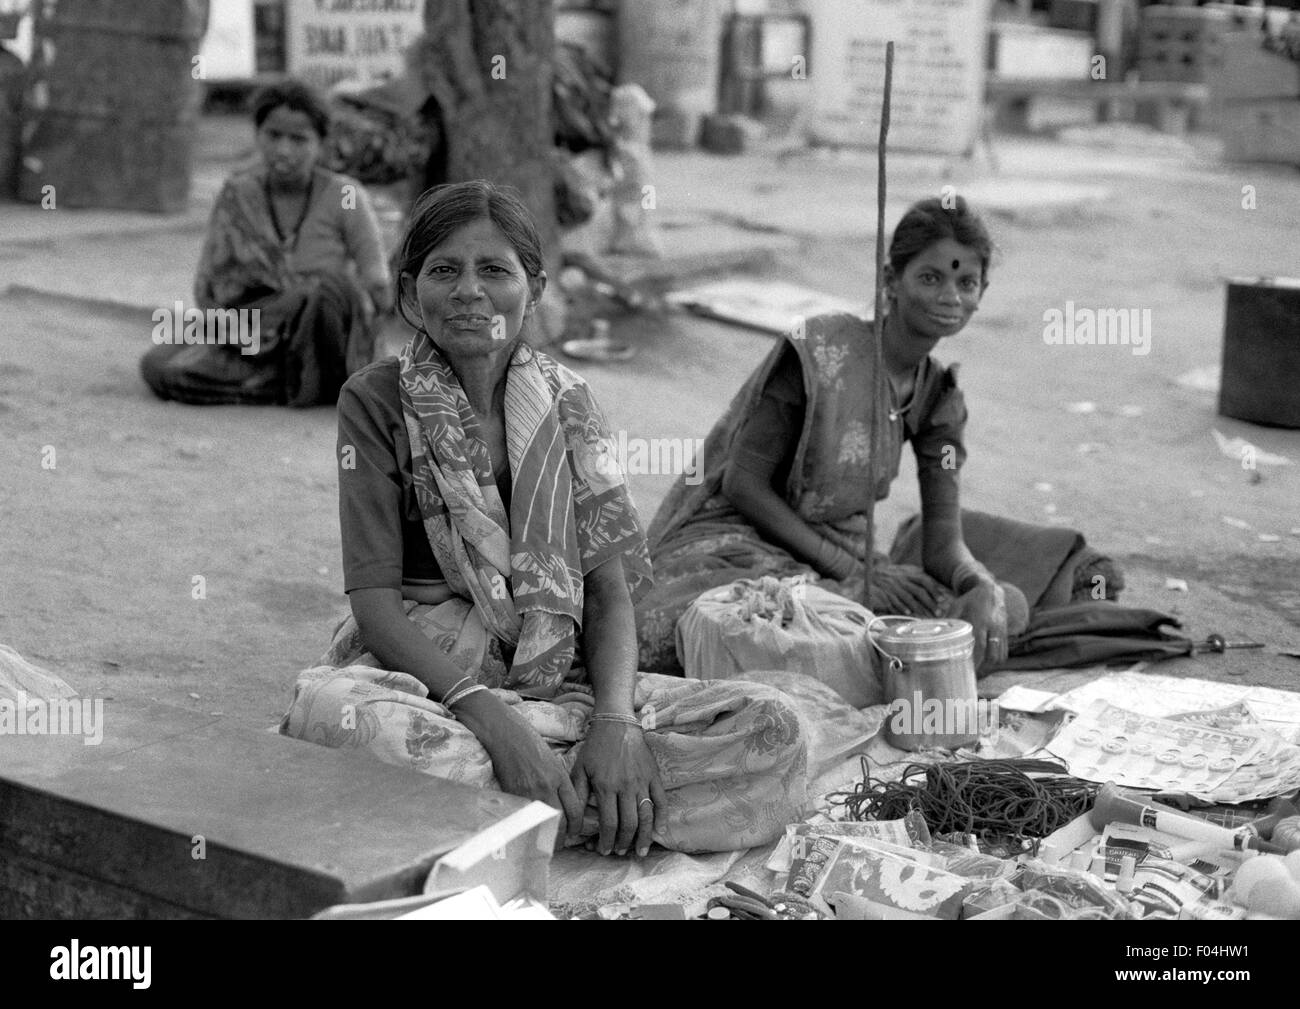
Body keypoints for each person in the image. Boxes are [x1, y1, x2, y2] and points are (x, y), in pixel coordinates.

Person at [280, 181, 807, 856]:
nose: (469, 290)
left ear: (535, 287)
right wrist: (500, 726)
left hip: (560, 677)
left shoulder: (569, 404)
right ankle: (603, 806)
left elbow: (609, 593)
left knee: (776, 728)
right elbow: (376, 606)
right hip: (432, 683)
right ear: (412, 291)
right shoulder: (376, 400)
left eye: (494, 270)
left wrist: (615, 723)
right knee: (341, 720)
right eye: (445, 270)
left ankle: (540, 803)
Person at [636, 196, 1123, 675]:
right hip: (740, 543)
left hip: (850, 562)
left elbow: (942, 544)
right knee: (740, 624)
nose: (949, 296)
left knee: (995, 611)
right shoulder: (821, 351)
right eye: (931, 277)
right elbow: (742, 484)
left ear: (982, 293)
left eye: (966, 282)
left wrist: (978, 584)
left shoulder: (938, 399)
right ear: (892, 280)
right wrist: (851, 575)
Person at [141, 80, 392, 406]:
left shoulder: (345, 195)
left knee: (327, 292)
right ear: (258, 135)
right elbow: (212, 285)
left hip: (320, 339)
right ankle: (280, 382)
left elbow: (378, 286)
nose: (284, 149)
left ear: (321, 143)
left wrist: (355, 327)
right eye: (274, 136)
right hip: (252, 332)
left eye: (298, 139)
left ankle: (302, 376)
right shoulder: (238, 193)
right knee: (160, 366)